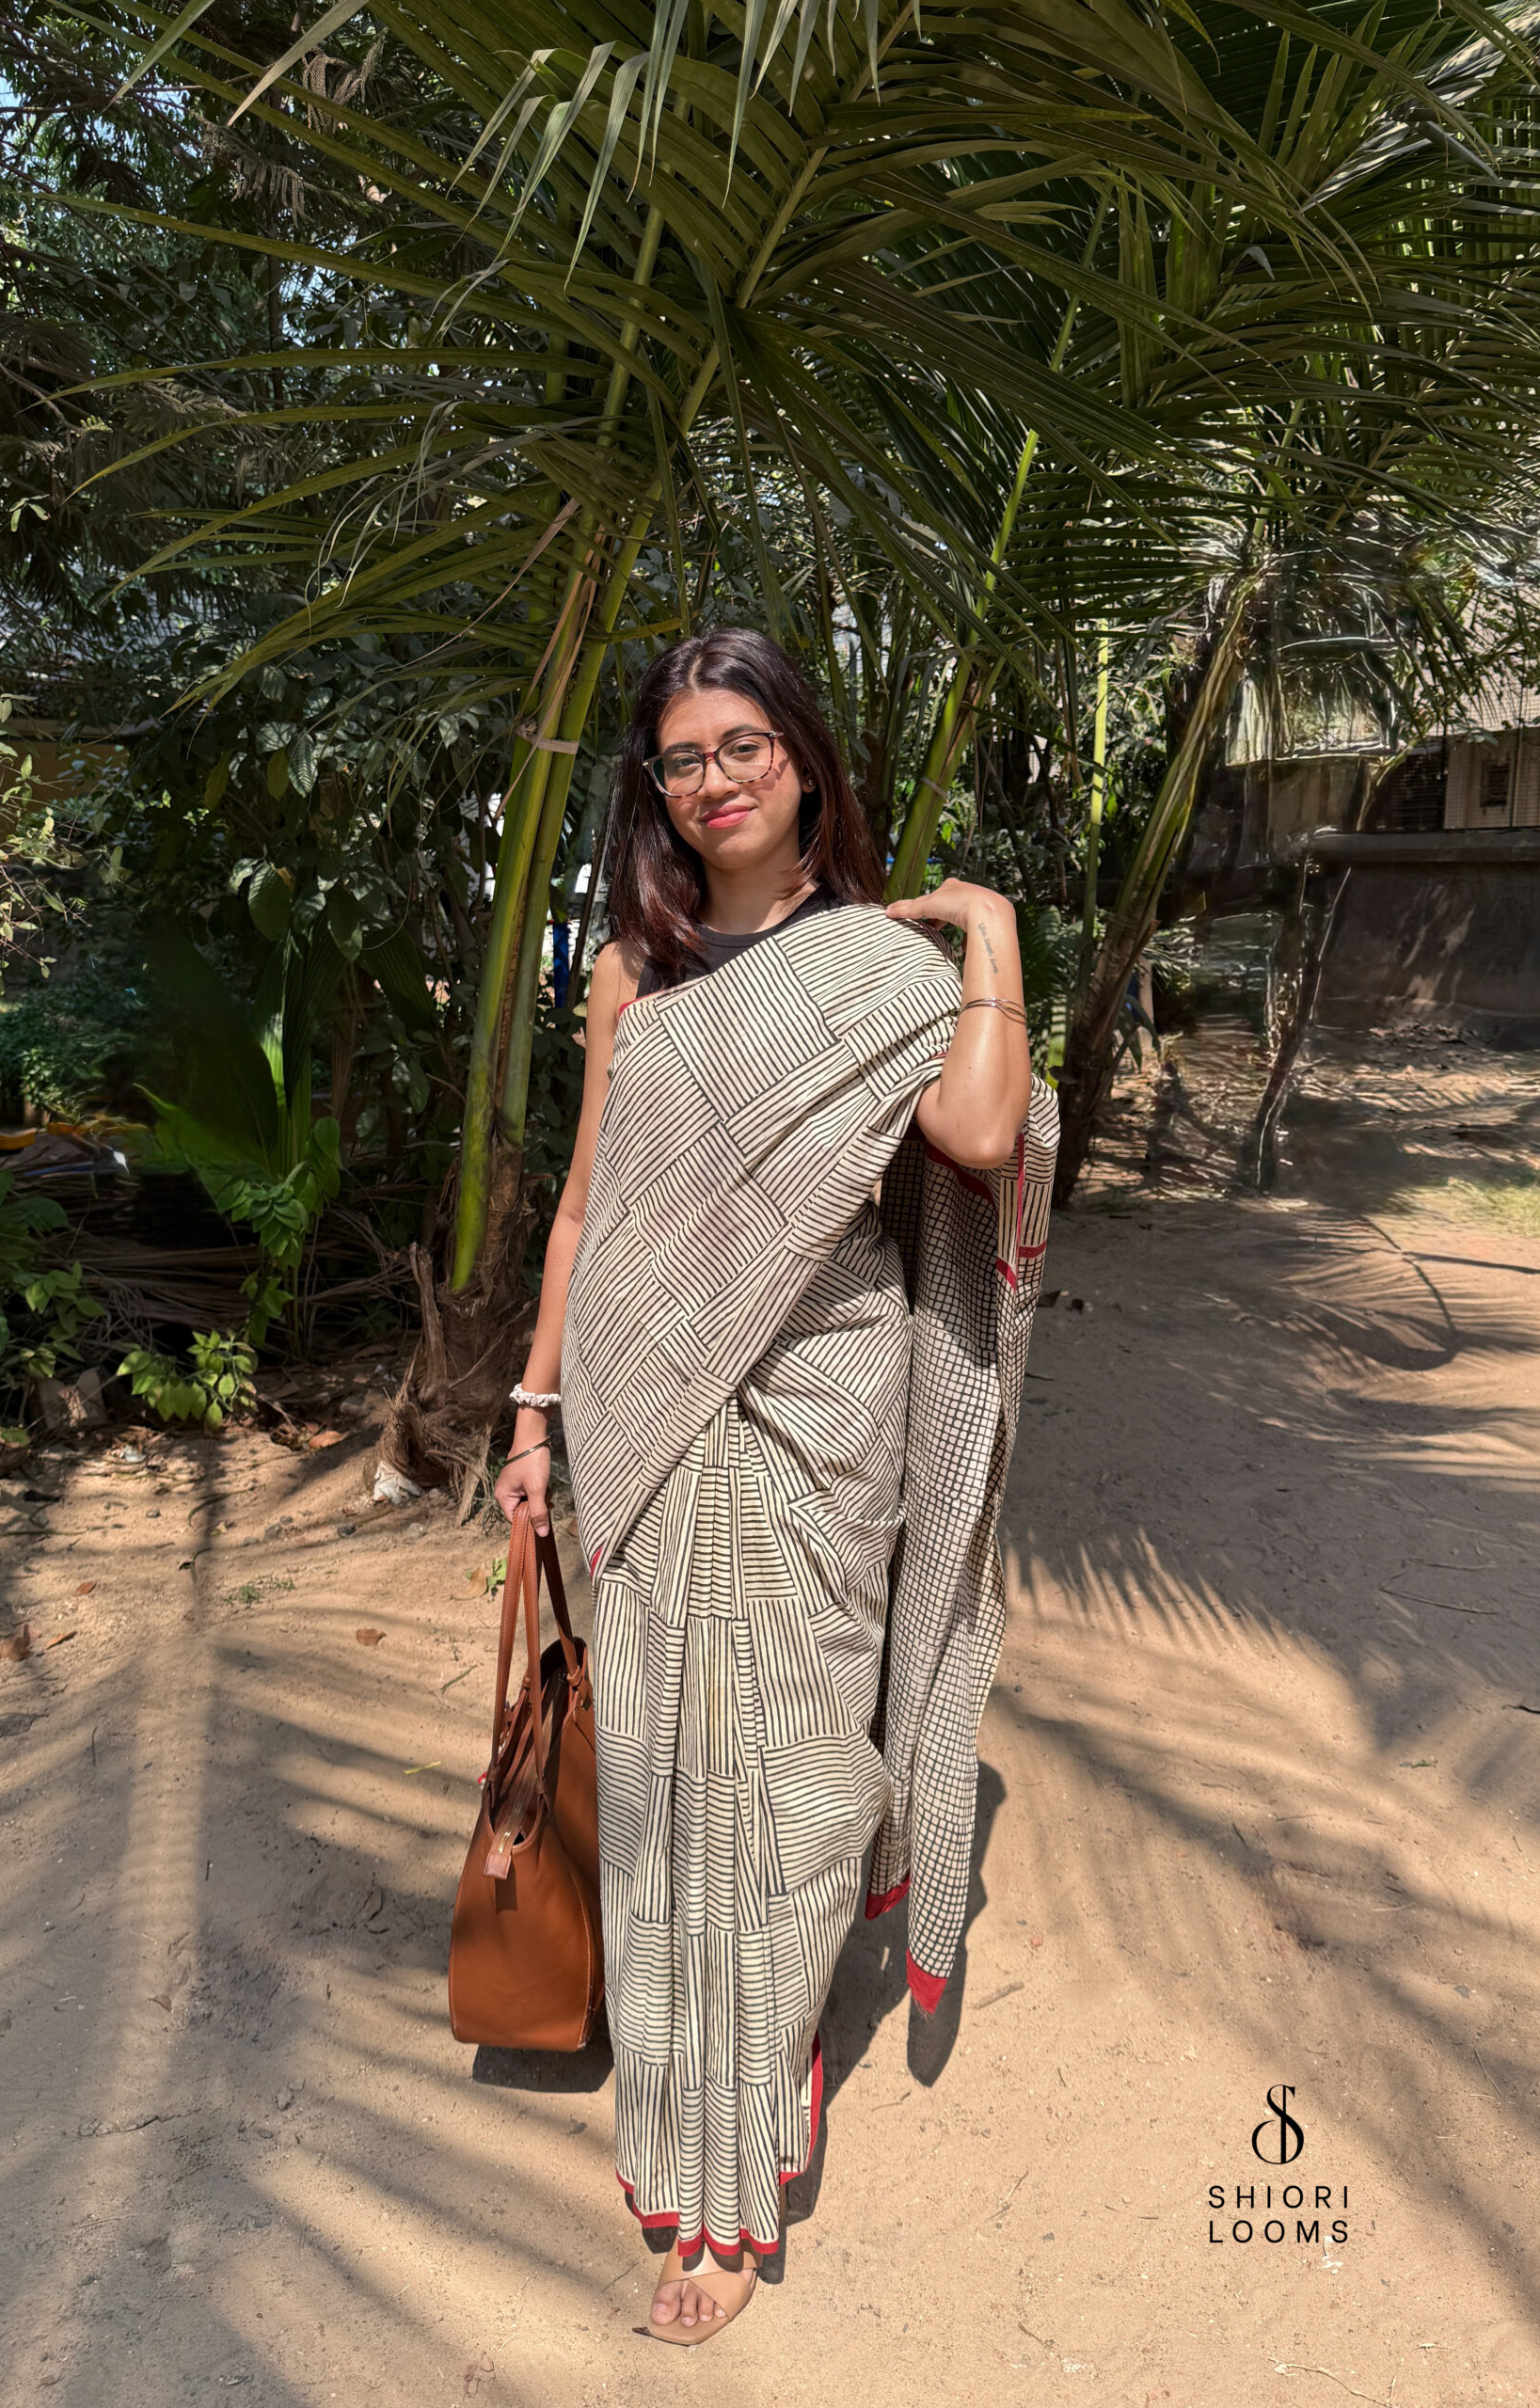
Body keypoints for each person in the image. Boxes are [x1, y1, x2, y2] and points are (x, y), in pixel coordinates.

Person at [495, 627, 1057, 2343]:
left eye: (743, 745)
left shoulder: (882, 968)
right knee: (668, 1795)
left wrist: (994, 936)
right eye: (683, 758)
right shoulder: (633, 973)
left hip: (824, 1412)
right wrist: (535, 1412)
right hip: (650, 1416)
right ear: (655, 791)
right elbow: (587, 1211)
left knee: (801, 1781)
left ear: (802, 758)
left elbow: (977, 1138)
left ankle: (778, 2052)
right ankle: (707, 2172)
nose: (716, 779)